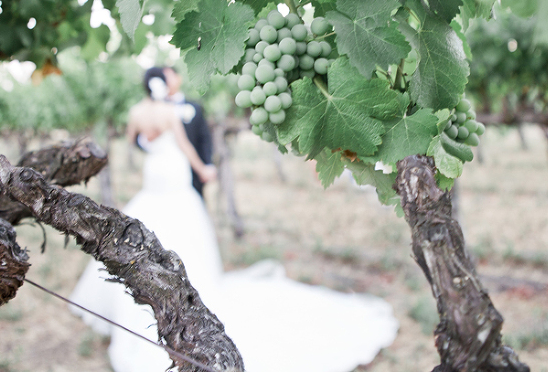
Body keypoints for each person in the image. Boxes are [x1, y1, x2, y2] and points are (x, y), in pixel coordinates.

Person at [70, 69, 399, 372]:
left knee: (145, 227)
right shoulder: (168, 112)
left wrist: (149, 142)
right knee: (184, 230)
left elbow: (133, 141)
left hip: (154, 176)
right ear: (162, 83)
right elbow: (185, 146)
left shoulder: (137, 113)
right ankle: (189, 289)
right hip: (175, 175)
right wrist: (203, 170)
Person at [141, 66, 213, 198]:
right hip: (161, 167)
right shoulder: (149, 109)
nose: (167, 81)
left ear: (178, 78)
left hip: (190, 169)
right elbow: (137, 138)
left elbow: (204, 138)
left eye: (169, 77)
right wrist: (145, 140)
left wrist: (207, 165)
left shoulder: (195, 107)